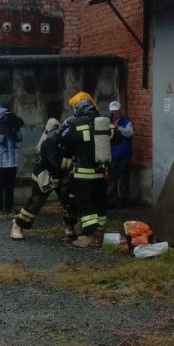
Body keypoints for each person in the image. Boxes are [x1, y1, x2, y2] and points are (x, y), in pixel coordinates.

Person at [57, 91, 113, 249]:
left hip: (83, 174)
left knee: (85, 205)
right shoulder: (105, 122)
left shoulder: (76, 123)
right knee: (99, 204)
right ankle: (99, 232)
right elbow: (118, 138)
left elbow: (63, 139)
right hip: (102, 173)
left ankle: (91, 235)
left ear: (79, 108)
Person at [10, 118, 77, 240]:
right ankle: (18, 225)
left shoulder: (71, 142)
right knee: (35, 202)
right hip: (44, 175)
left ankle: (69, 226)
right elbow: (56, 162)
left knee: (70, 201)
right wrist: (75, 163)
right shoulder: (49, 142)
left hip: (62, 175)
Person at [0, 106, 23, 214]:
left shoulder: (13, 127)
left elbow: (19, 138)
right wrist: (4, 128)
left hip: (12, 162)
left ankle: (8, 208)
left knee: (10, 187)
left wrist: (15, 127)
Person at [107, 100, 134, 207]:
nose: (114, 114)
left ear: (120, 111)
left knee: (123, 179)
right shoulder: (108, 123)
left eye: (116, 111)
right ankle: (111, 201)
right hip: (113, 155)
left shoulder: (126, 122)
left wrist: (118, 128)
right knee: (112, 179)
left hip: (124, 155)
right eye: (112, 112)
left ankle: (123, 201)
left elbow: (129, 132)